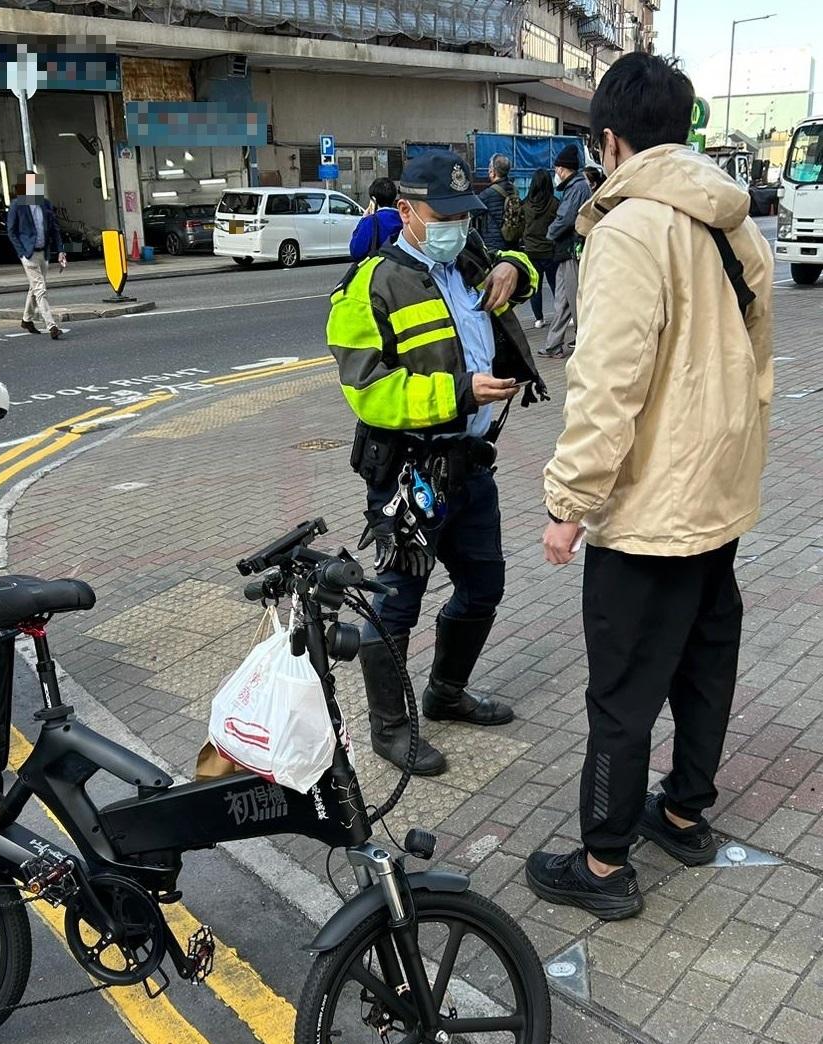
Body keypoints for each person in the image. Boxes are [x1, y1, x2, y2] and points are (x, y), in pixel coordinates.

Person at [528, 53, 774, 920]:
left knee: (622, 691)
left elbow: (607, 386)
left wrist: (568, 504)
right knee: (705, 662)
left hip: (649, 511)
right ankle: (681, 813)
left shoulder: (630, 229)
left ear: (608, 140)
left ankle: (601, 863)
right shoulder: (732, 222)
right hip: (716, 495)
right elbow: (754, 358)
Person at [328, 151, 546, 777]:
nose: (456, 226)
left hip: (471, 467)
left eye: (463, 215)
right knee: (397, 604)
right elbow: (368, 392)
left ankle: (446, 693)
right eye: (443, 216)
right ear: (406, 212)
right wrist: (459, 393)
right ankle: (391, 729)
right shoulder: (368, 286)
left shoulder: (468, 259)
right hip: (409, 476)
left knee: (484, 588)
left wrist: (513, 266)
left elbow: (523, 268)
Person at [537, 145, 591, 358]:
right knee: (563, 299)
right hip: (566, 251)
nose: (556, 173)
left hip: (570, 250)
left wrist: (549, 233)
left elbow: (566, 218)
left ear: (562, 169)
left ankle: (584, 342)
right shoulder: (577, 186)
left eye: (557, 169)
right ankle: (554, 345)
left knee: (574, 299)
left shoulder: (576, 188)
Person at [6, 171, 67, 341]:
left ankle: (26, 320)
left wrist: (60, 250)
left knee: (35, 287)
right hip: (29, 253)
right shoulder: (17, 205)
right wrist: (22, 252)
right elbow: (11, 231)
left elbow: (54, 229)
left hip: (43, 252)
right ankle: (51, 325)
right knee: (40, 289)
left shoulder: (45, 203)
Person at [521, 169, 559, 330]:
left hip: (530, 250)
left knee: (535, 286)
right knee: (555, 284)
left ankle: (539, 318)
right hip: (550, 250)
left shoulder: (525, 204)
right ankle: (562, 314)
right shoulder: (555, 203)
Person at [349, 177, 404, 263]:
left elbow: (356, 252)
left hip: (379, 269)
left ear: (373, 200)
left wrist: (363, 219)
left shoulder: (370, 221)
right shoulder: (404, 219)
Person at [480, 154, 520, 252]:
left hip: (494, 244)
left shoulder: (489, 193)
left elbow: (473, 210)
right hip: (513, 241)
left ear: (493, 171)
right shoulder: (514, 190)